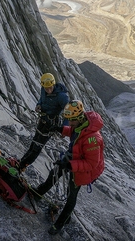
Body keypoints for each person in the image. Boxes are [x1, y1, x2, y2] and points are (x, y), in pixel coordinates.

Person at [31, 100, 105, 235]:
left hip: (84, 169)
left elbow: (91, 164)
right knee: (54, 172)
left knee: (71, 194)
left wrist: (69, 165)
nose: (69, 123)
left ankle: (61, 222)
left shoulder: (92, 138)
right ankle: (38, 193)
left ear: (79, 118)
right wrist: (60, 129)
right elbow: (73, 131)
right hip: (73, 157)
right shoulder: (81, 124)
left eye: (71, 120)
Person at [19, 73, 69, 171]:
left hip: (52, 123)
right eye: (46, 88)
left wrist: (64, 128)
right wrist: (39, 105)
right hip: (43, 119)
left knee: (38, 146)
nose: (48, 90)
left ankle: (22, 166)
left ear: (53, 84)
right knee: (34, 141)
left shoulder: (62, 97)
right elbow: (42, 99)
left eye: (50, 87)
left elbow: (68, 113)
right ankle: (22, 162)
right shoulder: (44, 89)